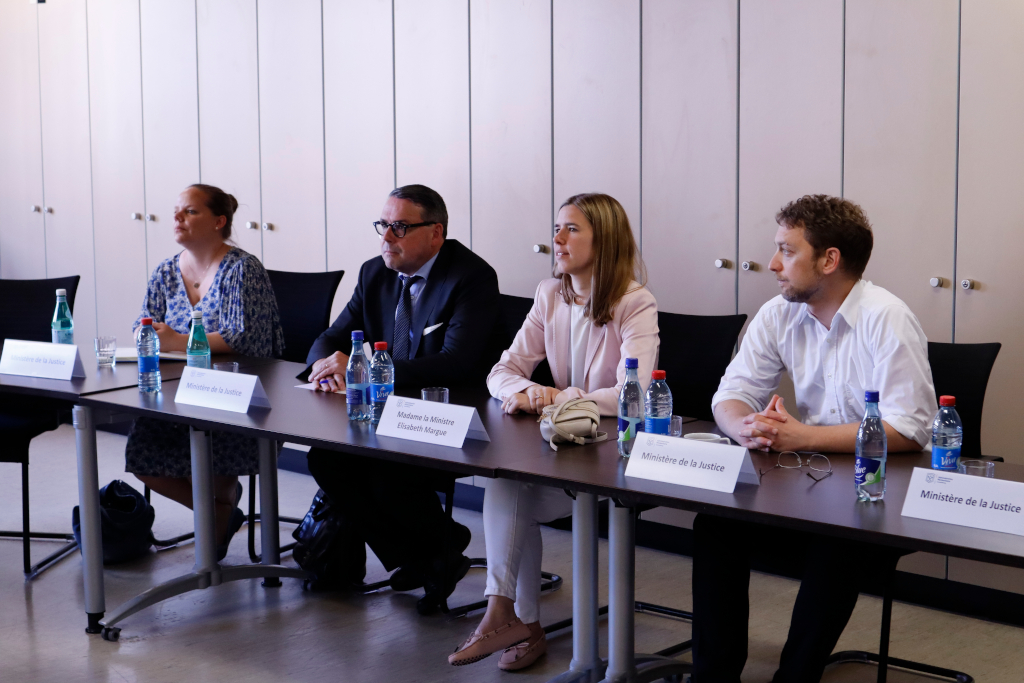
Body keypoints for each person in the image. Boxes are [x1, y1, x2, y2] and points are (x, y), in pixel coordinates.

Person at [694, 194, 937, 682]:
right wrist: (744, 425)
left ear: (829, 260)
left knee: (836, 543)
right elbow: (730, 394)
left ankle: (795, 678)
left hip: (879, 492)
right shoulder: (779, 313)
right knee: (716, 525)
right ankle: (714, 677)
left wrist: (804, 436)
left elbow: (909, 429)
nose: (773, 264)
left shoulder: (886, 318)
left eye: (787, 250)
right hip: (810, 482)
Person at [448, 193, 659, 671]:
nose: (557, 239)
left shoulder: (635, 302)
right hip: (558, 449)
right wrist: (535, 391)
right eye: (557, 228)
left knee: (511, 489)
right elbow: (500, 372)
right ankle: (510, 617)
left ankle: (515, 620)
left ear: (603, 240)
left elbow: (636, 394)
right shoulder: (551, 293)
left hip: (610, 458)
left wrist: (551, 396)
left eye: (571, 229)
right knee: (507, 480)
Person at [303, 184, 500, 612]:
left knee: (386, 473)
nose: (386, 237)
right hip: (380, 412)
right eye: (383, 225)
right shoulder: (375, 272)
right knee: (325, 457)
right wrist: (324, 364)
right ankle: (431, 553)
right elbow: (331, 338)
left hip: (441, 412)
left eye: (399, 227)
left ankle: (434, 554)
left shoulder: (470, 277)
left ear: (435, 233)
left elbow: (457, 363)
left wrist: (368, 369)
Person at [126, 184, 285, 560]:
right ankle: (218, 510)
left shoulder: (243, 269)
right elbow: (143, 324)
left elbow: (246, 338)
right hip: (178, 395)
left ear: (218, 221)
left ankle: (221, 507)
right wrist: (147, 334)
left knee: (211, 450)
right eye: (177, 211)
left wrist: (178, 340)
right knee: (141, 455)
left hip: (237, 399)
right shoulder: (166, 271)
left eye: (190, 212)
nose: (177, 218)